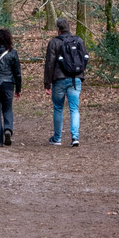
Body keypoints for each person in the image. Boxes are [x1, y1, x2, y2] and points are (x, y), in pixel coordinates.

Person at [44, 17, 85, 147]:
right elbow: (84, 58)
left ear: (58, 29)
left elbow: (49, 64)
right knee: (74, 108)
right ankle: (75, 137)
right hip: (75, 78)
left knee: (58, 108)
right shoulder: (78, 40)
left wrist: (47, 83)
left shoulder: (54, 42)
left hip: (59, 80)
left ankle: (57, 138)